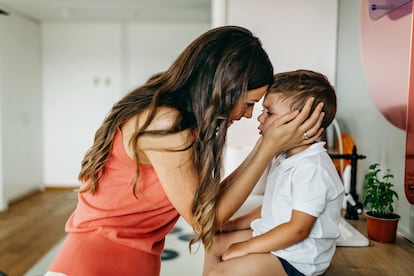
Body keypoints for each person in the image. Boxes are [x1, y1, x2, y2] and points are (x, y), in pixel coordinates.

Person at [46, 27, 324, 276]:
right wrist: (268, 146)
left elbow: (208, 203)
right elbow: (207, 220)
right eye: (249, 103)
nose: (250, 115)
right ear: (223, 88)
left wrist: (266, 146)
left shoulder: (184, 122)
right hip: (93, 264)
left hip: (135, 261)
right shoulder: (165, 123)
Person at [203, 70, 345, 276]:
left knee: (223, 272)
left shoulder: (312, 168)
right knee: (212, 243)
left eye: (269, 112)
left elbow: (298, 229)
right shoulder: (285, 156)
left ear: (303, 120)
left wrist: (246, 246)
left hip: (297, 258)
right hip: (278, 242)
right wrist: (233, 224)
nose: (259, 117)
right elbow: (275, 206)